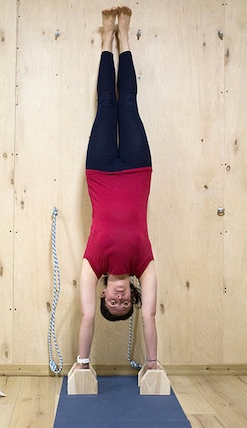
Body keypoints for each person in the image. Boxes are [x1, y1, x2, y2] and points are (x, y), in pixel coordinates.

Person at [76, 6, 159, 372]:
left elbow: (88, 318)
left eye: (113, 302)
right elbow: (150, 318)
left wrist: (82, 361)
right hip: (139, 169)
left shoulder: (94, 264)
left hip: (101, 169)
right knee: (128, 102)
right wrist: (152, 362)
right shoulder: (144, 265)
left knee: (106, 104)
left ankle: (105, 39)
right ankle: (123, 37)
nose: (120, 299)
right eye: (125, 304)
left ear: (104, 293)